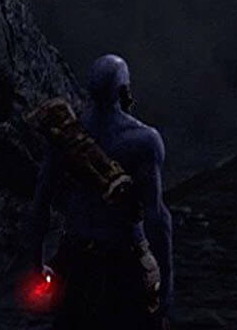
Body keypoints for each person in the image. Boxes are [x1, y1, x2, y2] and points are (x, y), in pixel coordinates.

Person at [29, 55, 175, 328]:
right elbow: (157, 219)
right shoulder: (143, 140)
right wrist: (166, 288)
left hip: (75, 264)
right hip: (125, 265)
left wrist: (36, 264)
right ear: (124, 91)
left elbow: (40, 204)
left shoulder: (65, 136)